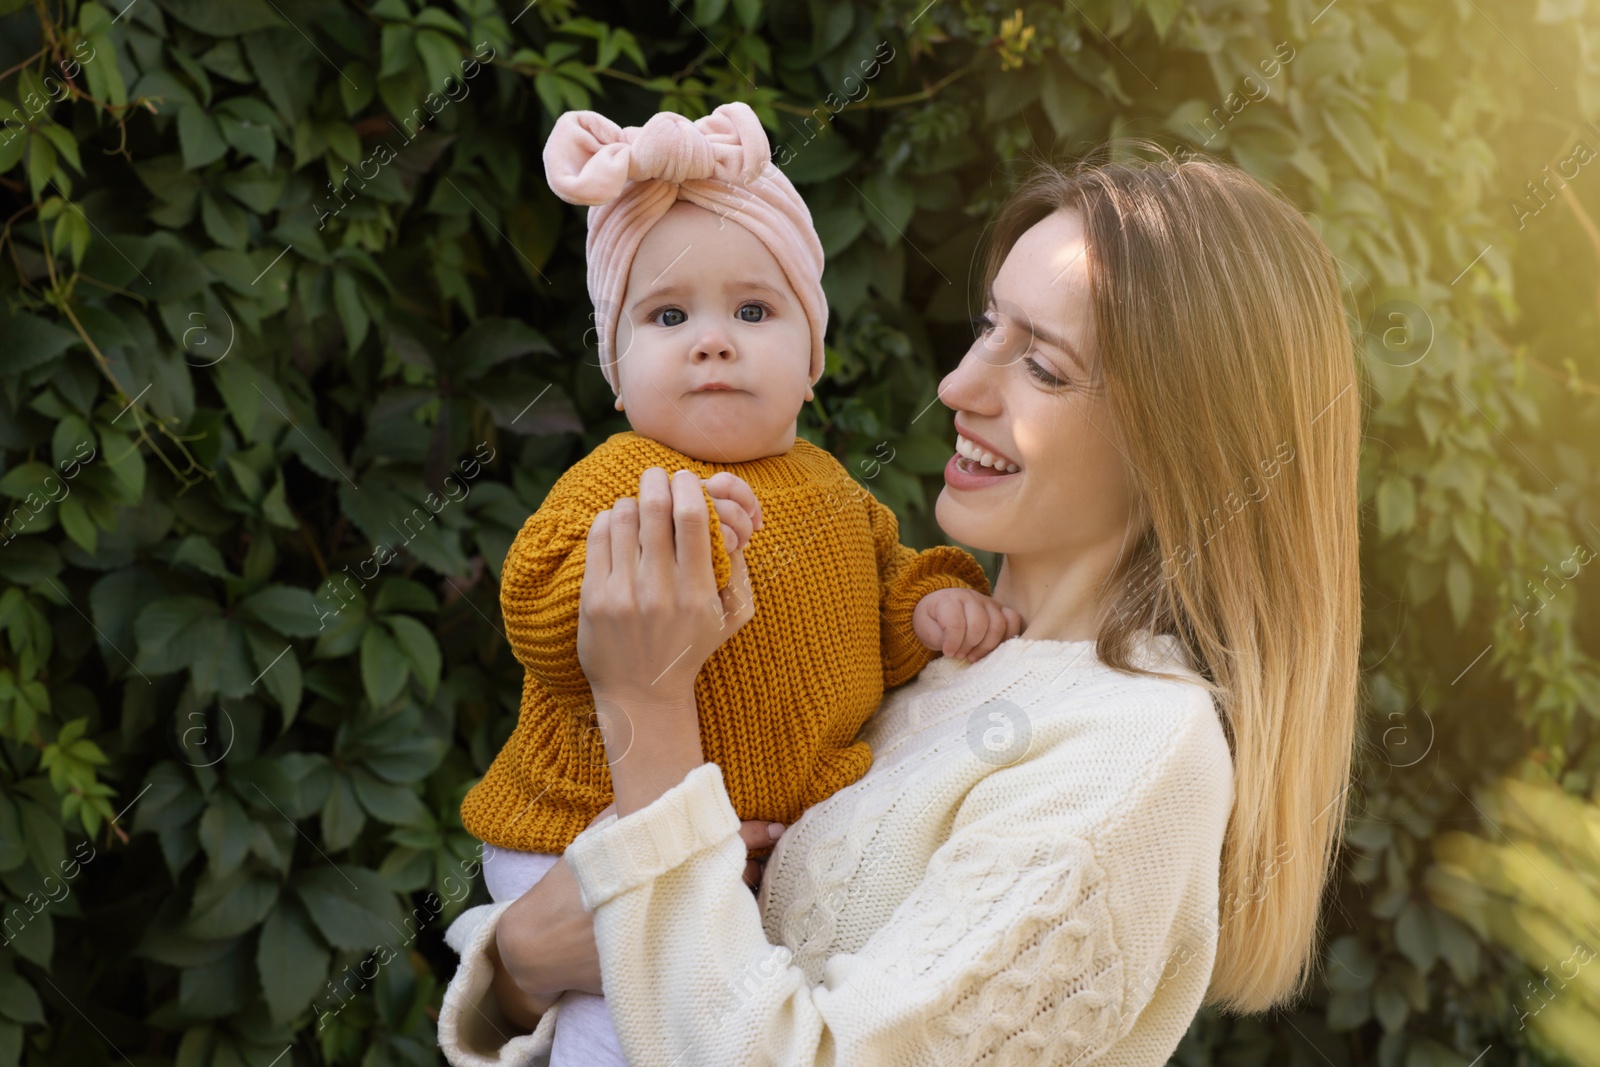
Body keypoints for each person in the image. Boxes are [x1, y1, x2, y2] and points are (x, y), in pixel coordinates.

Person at [436, 145, 1361, 1066]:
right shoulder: (937, 653)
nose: (957, 387)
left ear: (1183, 442)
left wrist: (644, 707)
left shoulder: (1132, 753)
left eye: (1042, 367)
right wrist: (520, 963)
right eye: (987, 326)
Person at [456, 101, 1019, 1065]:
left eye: (754, 312)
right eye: (668, 316)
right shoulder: (620, 481)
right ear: (619, 372)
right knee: (623, 1031)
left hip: (738, 863)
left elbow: (876, 600)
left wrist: (929, 607)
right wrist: (671, 559)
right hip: (579, 832)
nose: (712, 341)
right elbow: (539, 613)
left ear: (812, 361)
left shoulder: (835, 493)